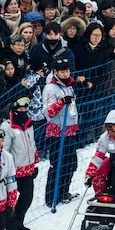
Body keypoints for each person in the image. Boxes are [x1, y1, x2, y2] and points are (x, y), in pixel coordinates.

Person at [43, 58, 79, 207]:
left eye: (67, 71)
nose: (65, 74)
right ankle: (52, 196)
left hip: (70, 130)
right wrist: (61, 102)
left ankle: (64, 191)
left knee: (71, 163)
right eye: (62, 71)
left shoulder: (68, 86)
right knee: (58, 164)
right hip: (57, 133)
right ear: (56, 72)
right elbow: (48, 112)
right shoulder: (50, 88)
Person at [1, 96, 38, 230]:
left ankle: (19, 221)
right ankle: (10, 225)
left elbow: (32, 144)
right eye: (20, 109)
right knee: (11, 199)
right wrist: (7, 169)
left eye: (25, 108)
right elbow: (4, 150)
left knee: (27, 197)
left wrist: (34, 164)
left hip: (28, 168)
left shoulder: (29, 124)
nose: (23, 111)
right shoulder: (7, 126)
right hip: (14, 170)